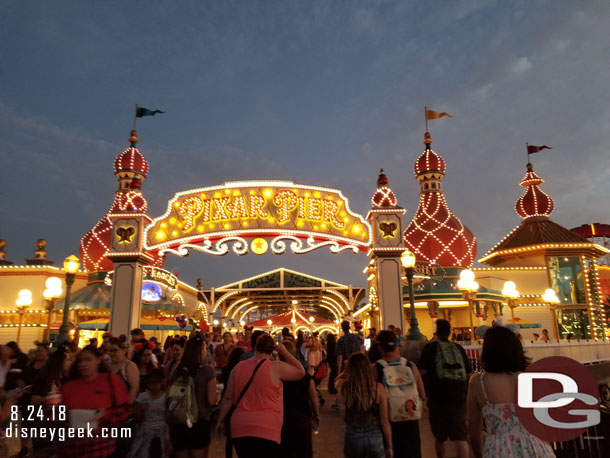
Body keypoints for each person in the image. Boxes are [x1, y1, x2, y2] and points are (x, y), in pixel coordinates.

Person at [467, 326, 555, 458]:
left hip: (498, 450)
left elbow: (474, 432)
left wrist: (480, 453)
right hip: (535, 447)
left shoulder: (478, 382)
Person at [216, 335, 305, 458]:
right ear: (271, 350)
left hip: (241, 427)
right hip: (267, 427)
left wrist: (220, 420)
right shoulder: (275, 367)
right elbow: (300, 371)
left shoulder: (237, 368)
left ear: (255, 347)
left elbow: (227, 398)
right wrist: (284, 352)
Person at [59, 345, 131, 458]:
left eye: (88, 360)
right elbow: (60, 415)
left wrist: (106, 415)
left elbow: (125, 411)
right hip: (73, 449)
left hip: (101, 449)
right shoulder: (69, 387)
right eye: (80, 361)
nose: (83, 364)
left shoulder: (111, 381)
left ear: (98, 360)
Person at [418, 319, 472, 458]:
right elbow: (468, 373)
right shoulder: (458, 348)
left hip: (438, 398)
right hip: (459, 397)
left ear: (436, 332)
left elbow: (422, 371)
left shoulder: (430, 348)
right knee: (460, 437)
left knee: (440, 437)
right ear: (449, 332)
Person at [376, 331, 425, 458]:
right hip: (411, 420)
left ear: (380, 347)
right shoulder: (410, 365)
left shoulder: (375, 369)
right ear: (396, 346)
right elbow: (422, 394)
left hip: (389, 422)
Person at [168, 333, 217, 458]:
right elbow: (212, 401)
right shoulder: (207, 371)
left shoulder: (178, 370)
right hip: (199, 423)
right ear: (200, 351)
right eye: (205, 349)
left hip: (179, 423)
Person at [340, 353, 393, 458]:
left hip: (353, 435)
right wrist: (389, 445)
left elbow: (336, 380)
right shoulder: (379, 388)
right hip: (374, 436)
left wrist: (346, 369)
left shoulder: (345, 387)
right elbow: (384, 421)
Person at [279, 340, 320, 458]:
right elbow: (313, 396)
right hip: (302, 416)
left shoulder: (277, 375)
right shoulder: (305, 376)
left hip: (283, 417)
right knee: (303, 451)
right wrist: (316, 414)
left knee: (285, 451)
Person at [128, 368, 168, 458]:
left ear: (162, 382)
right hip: (144, 432)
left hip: (161, 432)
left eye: (156, 383)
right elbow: (136, 419)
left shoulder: (166, 397)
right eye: (151, 383)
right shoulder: (142, 396)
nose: (153, 386)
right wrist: (140, 409)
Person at [109, 336, 140, 401]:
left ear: (124, 350)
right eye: (110, 351)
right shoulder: (108, 365)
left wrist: (127, 406)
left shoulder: (130, 366)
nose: (112, 353)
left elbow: (134, 389)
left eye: (115, 350)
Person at [326, 333, 338, 399]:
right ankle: (337, 400)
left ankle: (338, 400)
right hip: (335, 366)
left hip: (333, 367)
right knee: (334, 384)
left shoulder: (330, 347)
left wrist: (323, 361)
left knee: (332, 385)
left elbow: (329, 357)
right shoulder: (335, 346)